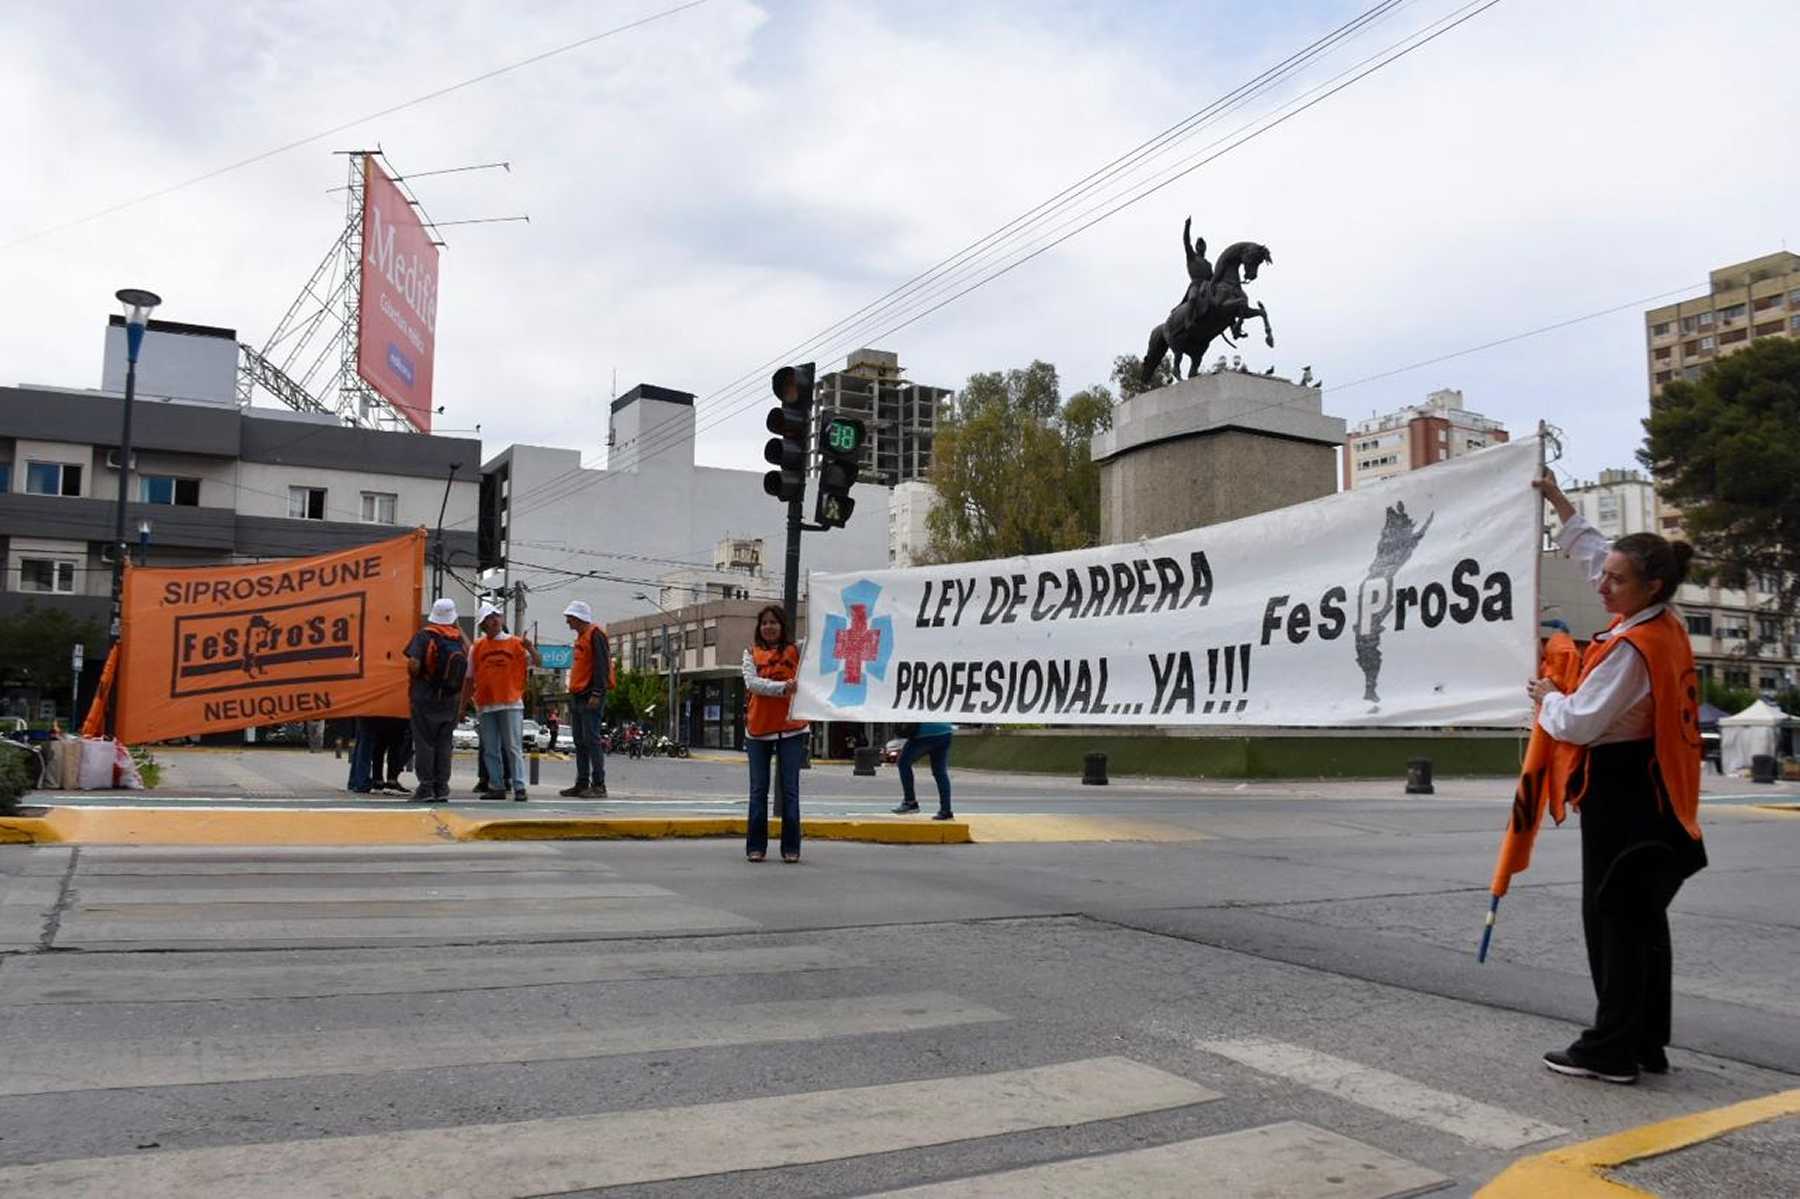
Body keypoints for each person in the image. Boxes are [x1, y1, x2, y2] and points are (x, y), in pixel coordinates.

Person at [1529, 472, 1706, 1085]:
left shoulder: (1634, 647)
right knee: (1641, 926)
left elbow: (1579, 723)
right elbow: (1591, 550)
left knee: (1614, 927)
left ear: (1650, 585)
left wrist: (1546, 696)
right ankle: (1643, 1042)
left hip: (1627, 794)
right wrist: (1555, 500)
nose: (1602, 584)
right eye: (1604, 575)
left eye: (1615, 580)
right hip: (1660, 797)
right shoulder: (1663, 625)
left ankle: (1610, 1049)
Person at [742, 604, 807, 863]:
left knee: (790, 790)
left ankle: (791, 848)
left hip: (792, 729)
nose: (769, 627)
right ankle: (755, 847)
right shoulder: (750, 654)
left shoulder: (798, 650)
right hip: (758, 730)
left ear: (783, 626)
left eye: (774, 622)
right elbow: (753, 684)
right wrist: (783, 688)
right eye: (765, 623)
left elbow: (821, 640)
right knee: (758, 790)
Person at [466, 603, 538, 802]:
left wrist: (530, 648)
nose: (495, 620)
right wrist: (464, 704)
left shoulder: (516, 644)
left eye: (497, 615)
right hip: (486, 704)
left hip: (510, 703)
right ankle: (496, 786)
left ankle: (519, 787)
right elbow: (470, 678)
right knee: (490, 748)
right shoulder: (477, 647)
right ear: (483, 625)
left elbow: (537, 662)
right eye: (490, 618)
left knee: (513, 747)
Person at [404, 598, 468, 803]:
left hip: (425, 697)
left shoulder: (424, 635)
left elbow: (414, 664)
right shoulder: (458, 639)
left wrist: (417, 674)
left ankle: (426, 787)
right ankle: (442, 787)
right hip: (450, 699)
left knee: (425, 743)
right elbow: (470, 657)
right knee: (444, 744)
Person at [561, 600, 611, 798]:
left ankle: (599, 785)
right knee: (580, 741)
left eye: (570, 618)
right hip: (578, 695)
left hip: (590, 695)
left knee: (591, 740)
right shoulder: (582, 637)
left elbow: (602, 665)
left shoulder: (595, 635)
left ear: (579, 618)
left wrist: (597, 693)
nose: (567, 622)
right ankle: (582, 783)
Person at [891, 723, 955, 820]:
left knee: (903, 763)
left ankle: (910, 802)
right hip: (945, 731)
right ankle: (946, 810)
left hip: (924, 733)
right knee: (940, 772)